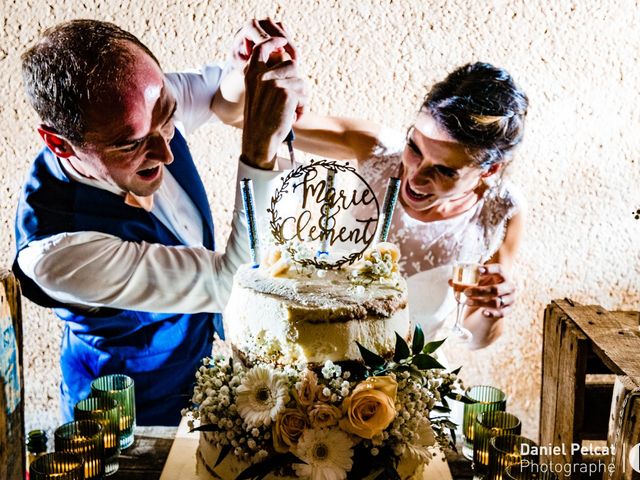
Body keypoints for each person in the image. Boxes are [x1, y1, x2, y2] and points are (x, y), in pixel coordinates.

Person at [14, 18, 304, 424]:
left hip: (201, 384)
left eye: (168, 115)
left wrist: (251, 71)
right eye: (130, 144)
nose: (166, 153)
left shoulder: (142, 104)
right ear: (60, 144)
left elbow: (222, 99)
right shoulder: (56, 254)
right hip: (123, 426)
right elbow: (234, 286)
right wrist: (259, 151)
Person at [288, 62, 528, 349]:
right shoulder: (376, 152)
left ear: (489, 170)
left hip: (402, 382)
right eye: (414, 148)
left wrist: (493, 310)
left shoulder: (502, 210)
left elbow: (473, 338)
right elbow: (253, 119)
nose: (416, 175)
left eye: (445, 170)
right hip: (315, 355)